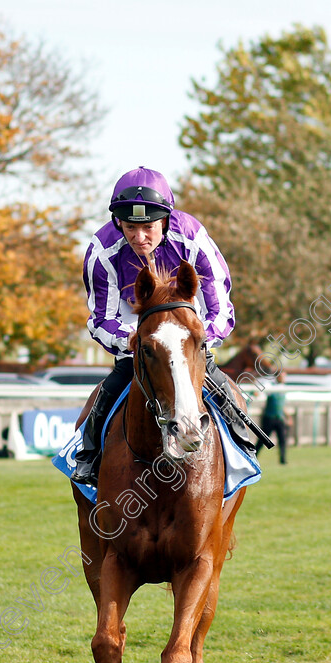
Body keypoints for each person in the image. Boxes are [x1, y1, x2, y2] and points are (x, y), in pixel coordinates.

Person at [71, 165, 254, 487]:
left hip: (187, 323)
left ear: (166, 220)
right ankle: (87, 455)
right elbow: (100, 318)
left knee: (220, 384)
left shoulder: (193, 238)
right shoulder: (102, 251)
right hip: (135, 327)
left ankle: (243, 441)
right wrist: (135, 341)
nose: (139, 238)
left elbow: (220, 306)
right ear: (118, 222)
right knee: (112, 386)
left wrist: (196, 340)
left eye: (148, 228)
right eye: (129, 227)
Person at [255, 371, 290, 464]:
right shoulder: (271, 387)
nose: (283, 378)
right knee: (263, 440)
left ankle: (283, 460)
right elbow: (260, 394)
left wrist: (288, 417)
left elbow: (282, 406)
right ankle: (254, 456)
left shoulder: (284, 388)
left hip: (280, 418)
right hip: (269, 418)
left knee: (282, 440)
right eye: (282, 376)